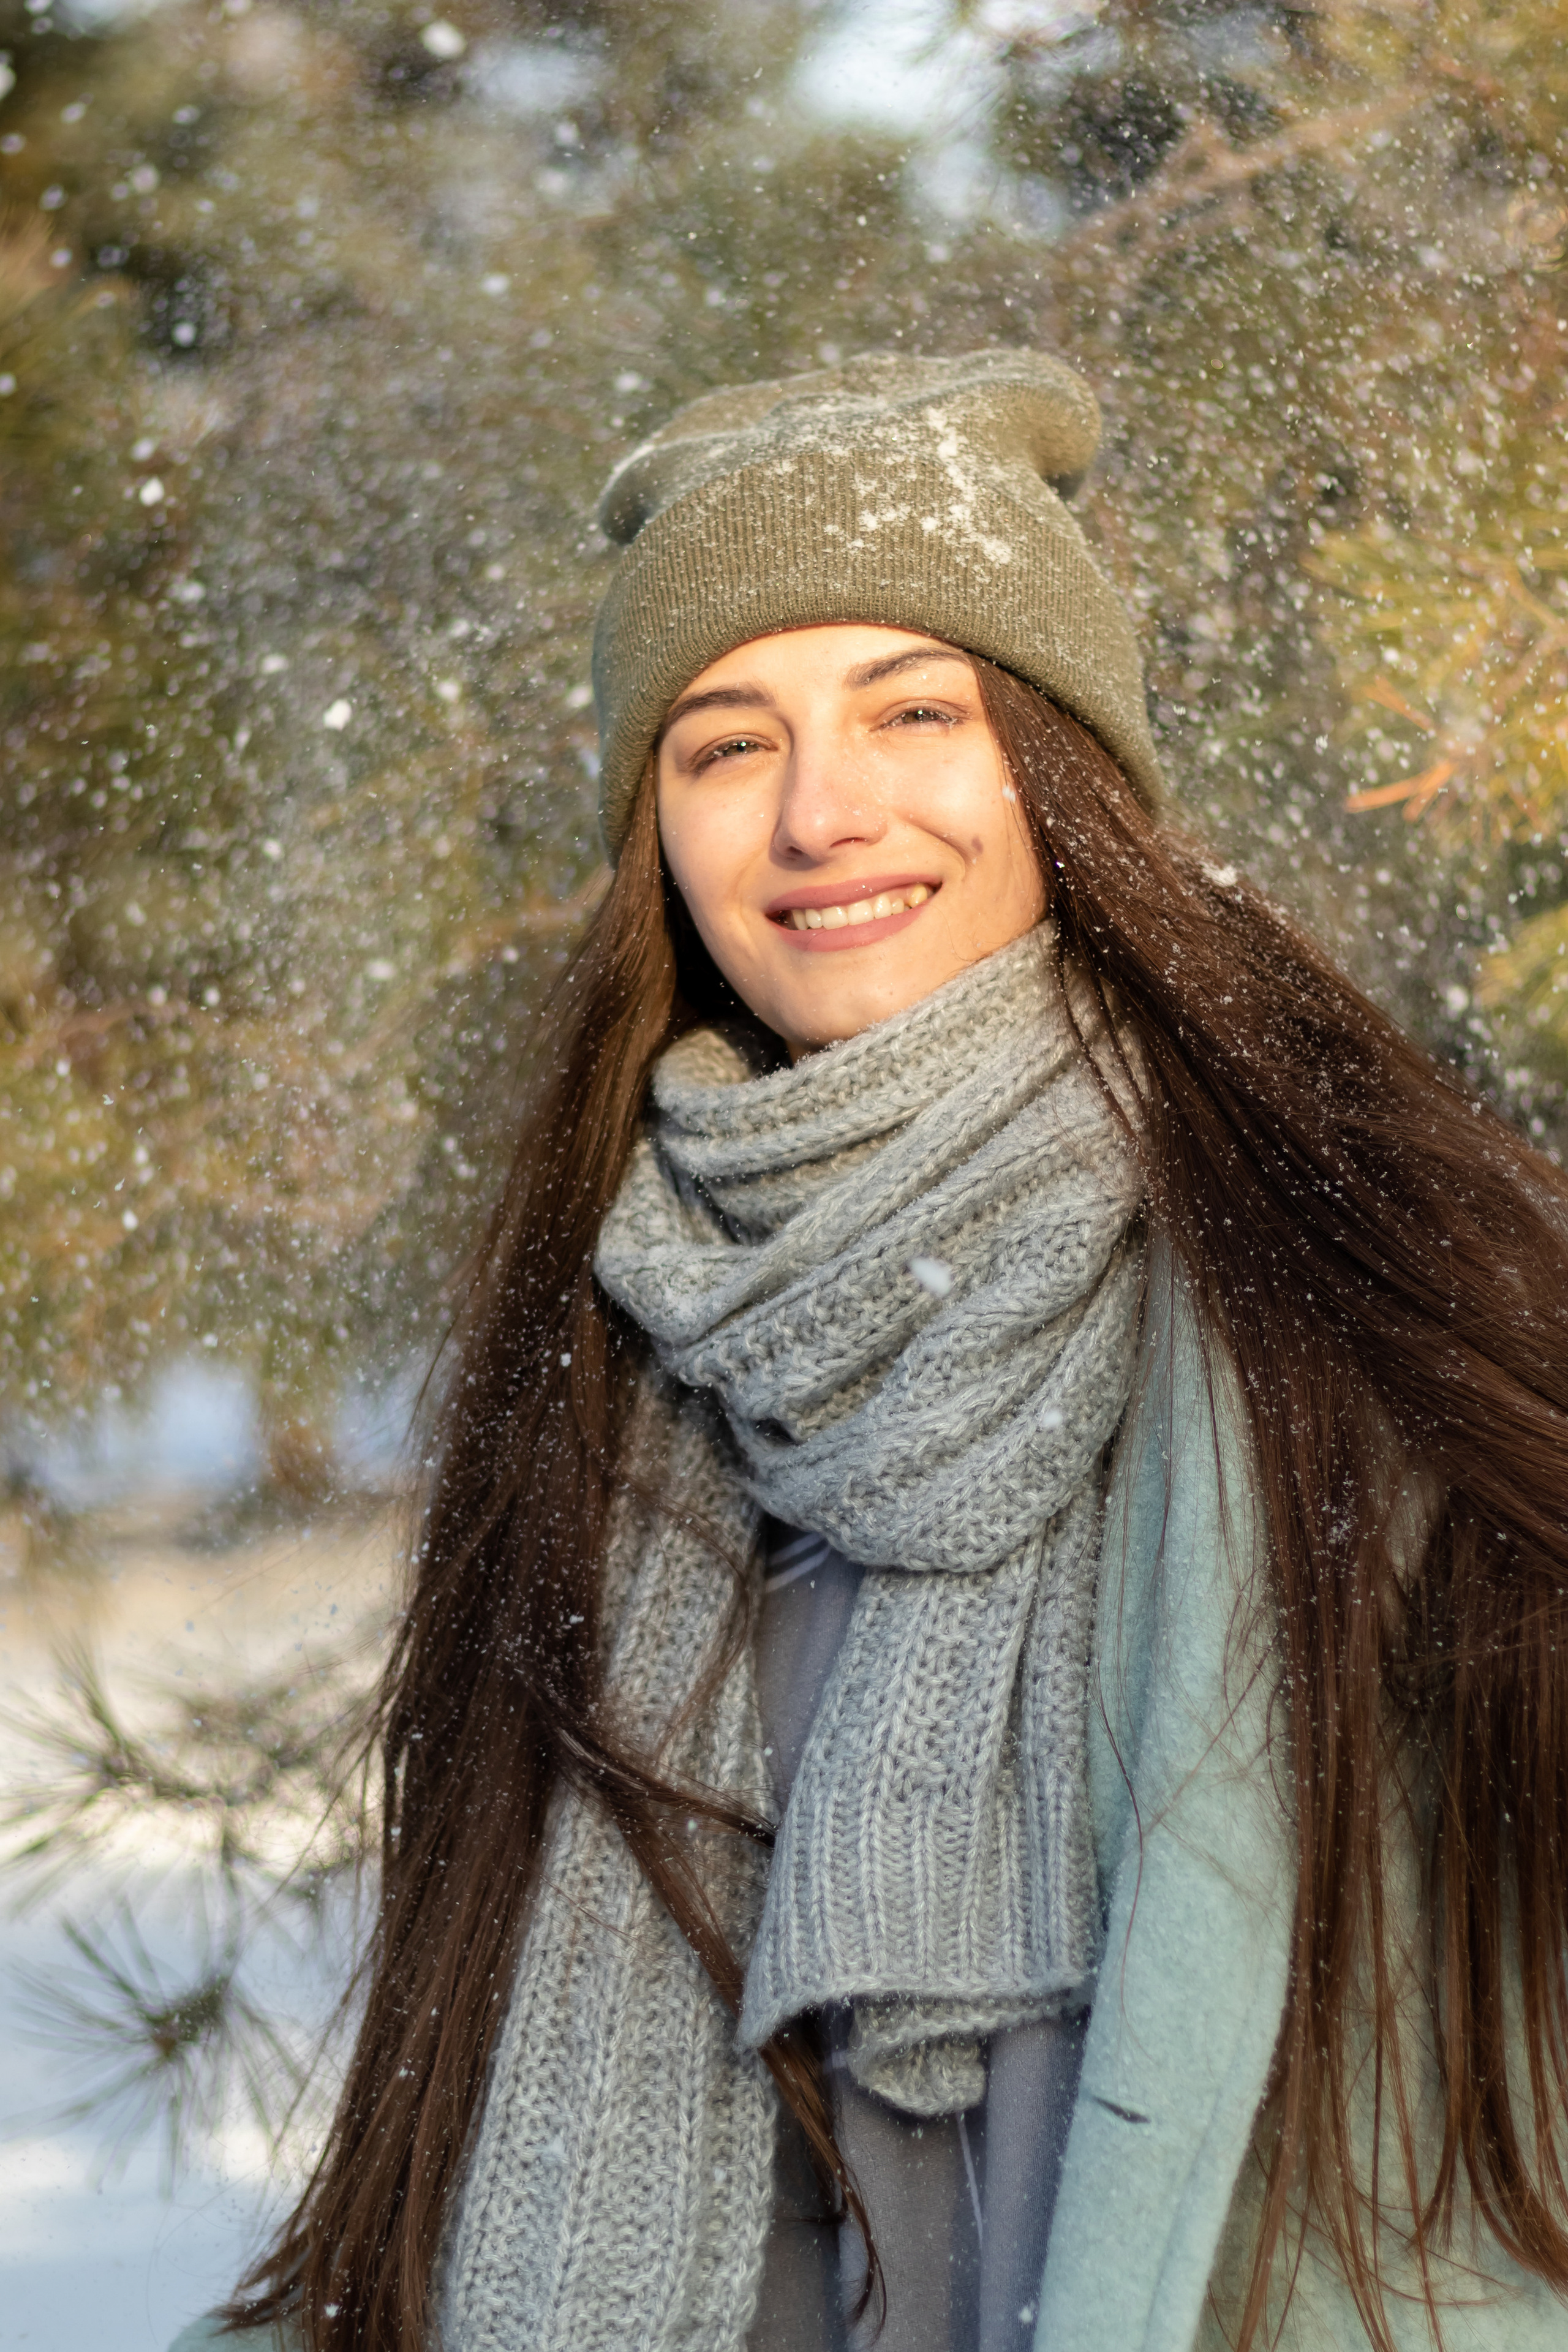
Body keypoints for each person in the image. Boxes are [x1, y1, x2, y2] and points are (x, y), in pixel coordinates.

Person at [173, 351, 1568, 2352]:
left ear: (1065, 769)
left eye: (919, 711)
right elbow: (442, 2133)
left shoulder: (1382, 1303)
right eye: (725, 746)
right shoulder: (611, 1357)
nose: (824, 814)